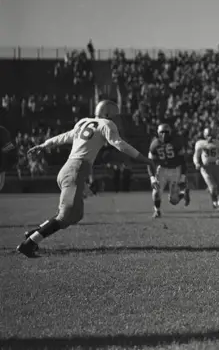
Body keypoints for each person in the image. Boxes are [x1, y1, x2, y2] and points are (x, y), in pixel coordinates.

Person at [16, 100, 155, 258]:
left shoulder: (83, 122)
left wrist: (45, 144)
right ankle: (29, 244)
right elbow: (119, 144)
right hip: (75, 172)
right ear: (108, 114)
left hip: (69, 171)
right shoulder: (106, 124)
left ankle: (33, 234)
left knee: (76, 215)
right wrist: (145, 159)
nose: (117, 119)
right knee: (65, 215)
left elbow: (64, 137)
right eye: (115, 115)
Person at [148, 123, 190, 218]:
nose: (164, 135)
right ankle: (157, 211)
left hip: (175, 170)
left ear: (170, 133)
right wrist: (152, 177)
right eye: (162, 132)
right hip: (162, 169)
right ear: (158, 133)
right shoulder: (154, 144)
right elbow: (150, 162)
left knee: (174, 201)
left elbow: (183, 161)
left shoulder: (176, 142)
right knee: (156, 191)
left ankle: (183, 193)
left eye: (166, 132)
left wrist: (183, 176)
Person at [193, 127, 219, 208]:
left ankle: (211, 191)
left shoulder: (218, 143)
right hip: (205, 167)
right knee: (213, 187)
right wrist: (197, 163)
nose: (210, 137)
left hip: (216, 166)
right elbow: (196, 155)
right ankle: (215, 202)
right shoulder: (200, 143)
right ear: (204, 135)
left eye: (211, 135)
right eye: (208, 135)